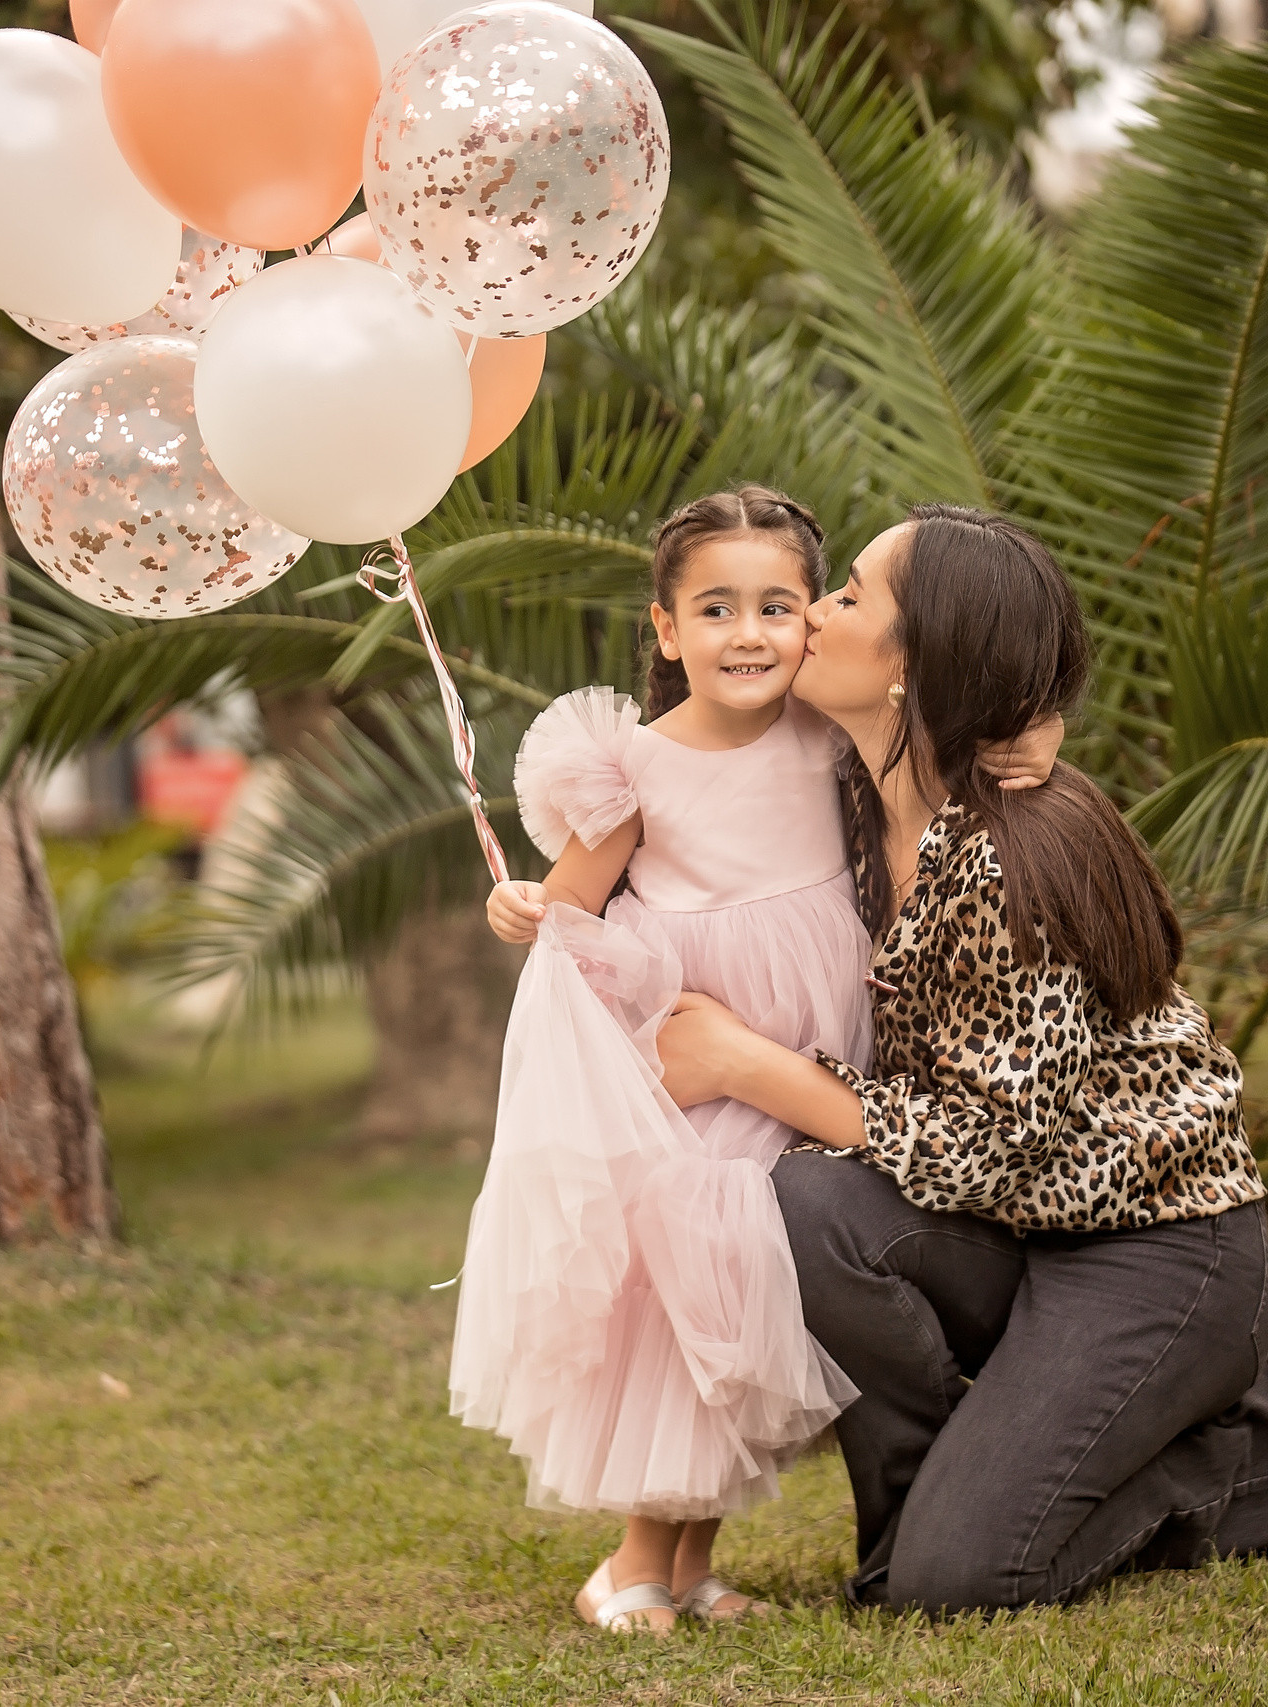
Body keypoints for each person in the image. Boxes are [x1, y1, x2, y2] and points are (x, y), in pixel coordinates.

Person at [655, 504, 1268, 1613]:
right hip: (1014, 1233)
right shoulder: (850, 796)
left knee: (961, 1585)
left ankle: (1267, 1453)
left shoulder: (1008, 855)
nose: (809, 613)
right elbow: (694, 709)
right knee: (806, 1202)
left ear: (914, 664)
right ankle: (927, 1522)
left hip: (1154, 1248)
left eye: (847, 595)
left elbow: (988, 1151)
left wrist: (746, 1065)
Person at [460, 488, 1057, 1635]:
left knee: (754, 1296)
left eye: (779, 606)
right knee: (694, 1291)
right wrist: (521, 900)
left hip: (810, 1043)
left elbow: (965, 726)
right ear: (667, 629)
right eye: (716, 609)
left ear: (812, 626)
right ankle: (631, 1563)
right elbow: (572, 916)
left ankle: (692, 1567)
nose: (749, 634)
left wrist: (1038, 740)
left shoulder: (828, 735)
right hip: (696, 1044)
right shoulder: (634, 766)